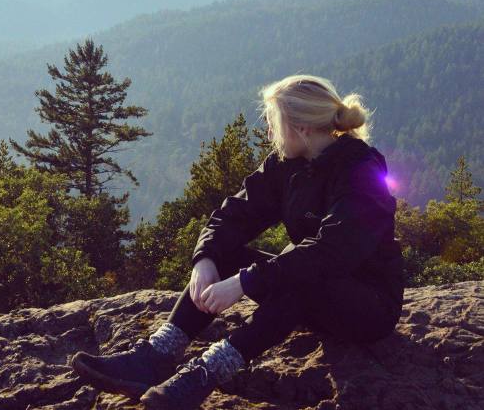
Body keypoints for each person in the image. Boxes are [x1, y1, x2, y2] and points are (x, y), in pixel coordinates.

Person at [70, 74, 406, 410]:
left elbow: (332, 253)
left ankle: (205, 374)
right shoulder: (287, 164)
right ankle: (157, 356)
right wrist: (205, 259)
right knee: (235, 256)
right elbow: (235, 215)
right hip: (313, 290)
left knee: (298, 278)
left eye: (274, 123)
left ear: (302, 128)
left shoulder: (360, 170)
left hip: (369, 307)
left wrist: (245, 282)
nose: (270, 133)